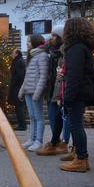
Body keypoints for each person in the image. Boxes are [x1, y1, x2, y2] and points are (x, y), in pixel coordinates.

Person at [59, 17, 94, 172]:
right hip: (82, 91)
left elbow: (75, 76)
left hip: (78, 92)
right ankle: (79, 155)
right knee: (76, 124)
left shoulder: (76, 49)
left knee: (76, 125)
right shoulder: (83, 48)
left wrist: (67, 98)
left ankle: (81, 158)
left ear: (71, 30)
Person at [37, 25, 70, 156]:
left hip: (61, 89)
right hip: (51, 89)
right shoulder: (49, 50)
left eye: (54, 35)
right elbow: (39, 48)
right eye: (51, 35)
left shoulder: (65, 52)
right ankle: (55, 142)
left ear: (61, 37)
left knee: (64, 117)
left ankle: (65, 142)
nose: (51, 38)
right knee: (52, 116)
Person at [18, 34, 49, 152]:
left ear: (35, 42)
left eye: (29, 42)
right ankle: (31, 139)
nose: (27, 44)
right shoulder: (31, 56)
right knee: (31, 116)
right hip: (28, 91)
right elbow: (27, 77)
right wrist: (22, 90)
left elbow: (43, 76)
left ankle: (38, 141)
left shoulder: (42, 56)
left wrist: (37, 93)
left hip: (35, 92)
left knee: (38, 117)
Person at [8, 48, 26, 131]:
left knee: (19, 106)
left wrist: (14, 84)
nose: (11, 54)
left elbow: (20, 75)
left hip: (18, 87)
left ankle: (22, 125)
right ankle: (21, 124)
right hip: (17, 87)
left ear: (17, 53)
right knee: (18, 106)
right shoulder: (18, 61)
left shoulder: (19, 62)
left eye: (13, 53)